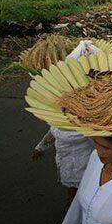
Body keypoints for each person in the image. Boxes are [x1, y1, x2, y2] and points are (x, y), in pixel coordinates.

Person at [31, 40, 103, 206]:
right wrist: (40, 147)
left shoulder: (93, 114)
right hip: (66, 163)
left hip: (87, 167)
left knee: (88, 198)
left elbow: (103, 142)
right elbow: (54, 130)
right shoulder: (62, 110)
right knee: (72, 194)